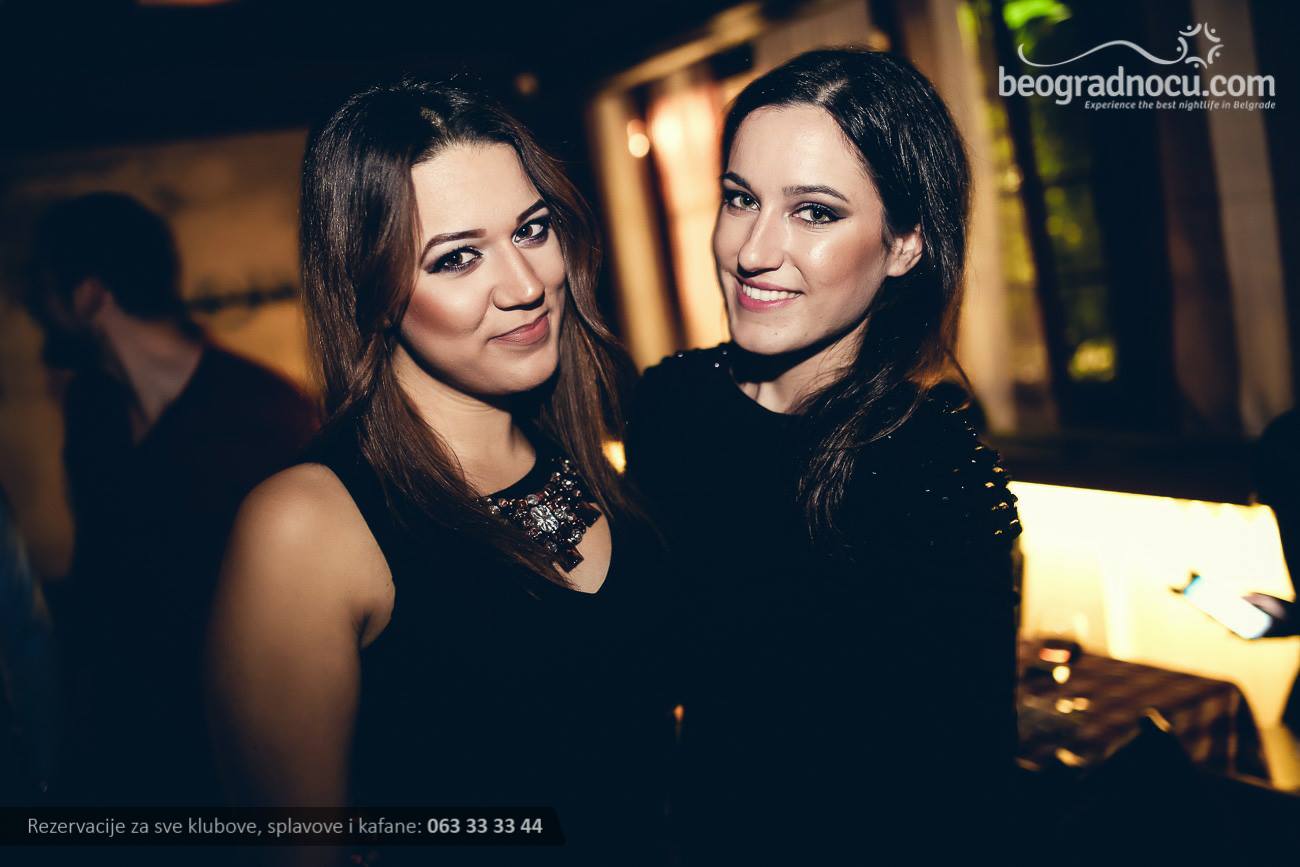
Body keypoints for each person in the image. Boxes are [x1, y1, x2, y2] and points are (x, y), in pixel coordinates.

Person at [207, 80, 674, 867]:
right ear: (370, 288)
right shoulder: (307, 525)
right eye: (457, 257)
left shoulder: (592, 460)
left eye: (531, 229)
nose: (525, 285)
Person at [625, 48, 1022, 862]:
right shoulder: (673, 405)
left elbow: (965, 800)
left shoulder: (932, 479)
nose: (753, 249)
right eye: (741, 199)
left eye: (814, 212)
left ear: (905, 243)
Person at [24, 192, 318, 806]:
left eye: (44, 291)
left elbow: (301, 637)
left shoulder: (262, 414)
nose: (35, 311)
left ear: (89, 296)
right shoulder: (92, 409)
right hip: (131, 755)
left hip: (232, 766)